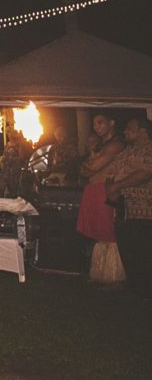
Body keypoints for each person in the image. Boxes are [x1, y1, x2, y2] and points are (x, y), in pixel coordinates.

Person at [107, 118, 152, 299]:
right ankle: (134, 286)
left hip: (145, 211)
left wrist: (118, 186)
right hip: (124, 208)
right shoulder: (127, 151)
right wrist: (110, 188)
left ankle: (146, 288)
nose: (125, 131)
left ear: (142, 131)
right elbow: (112, 172)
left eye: (129, 128)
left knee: (143, 250)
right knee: (128, 248)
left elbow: (145, 172)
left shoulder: (149, 149)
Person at [77, 113, 128, 274]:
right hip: (94, 189)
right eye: (94, 124)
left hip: (105, 190)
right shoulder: (101, 145)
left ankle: (113, 275)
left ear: (111, 122)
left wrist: (88, 166)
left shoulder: (116, 145)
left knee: (108, 232)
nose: (96, 127)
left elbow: (90, 168)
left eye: (100, 123)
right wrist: (88, 167)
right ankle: (99, 271)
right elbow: (84, 170)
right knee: (98, 232)